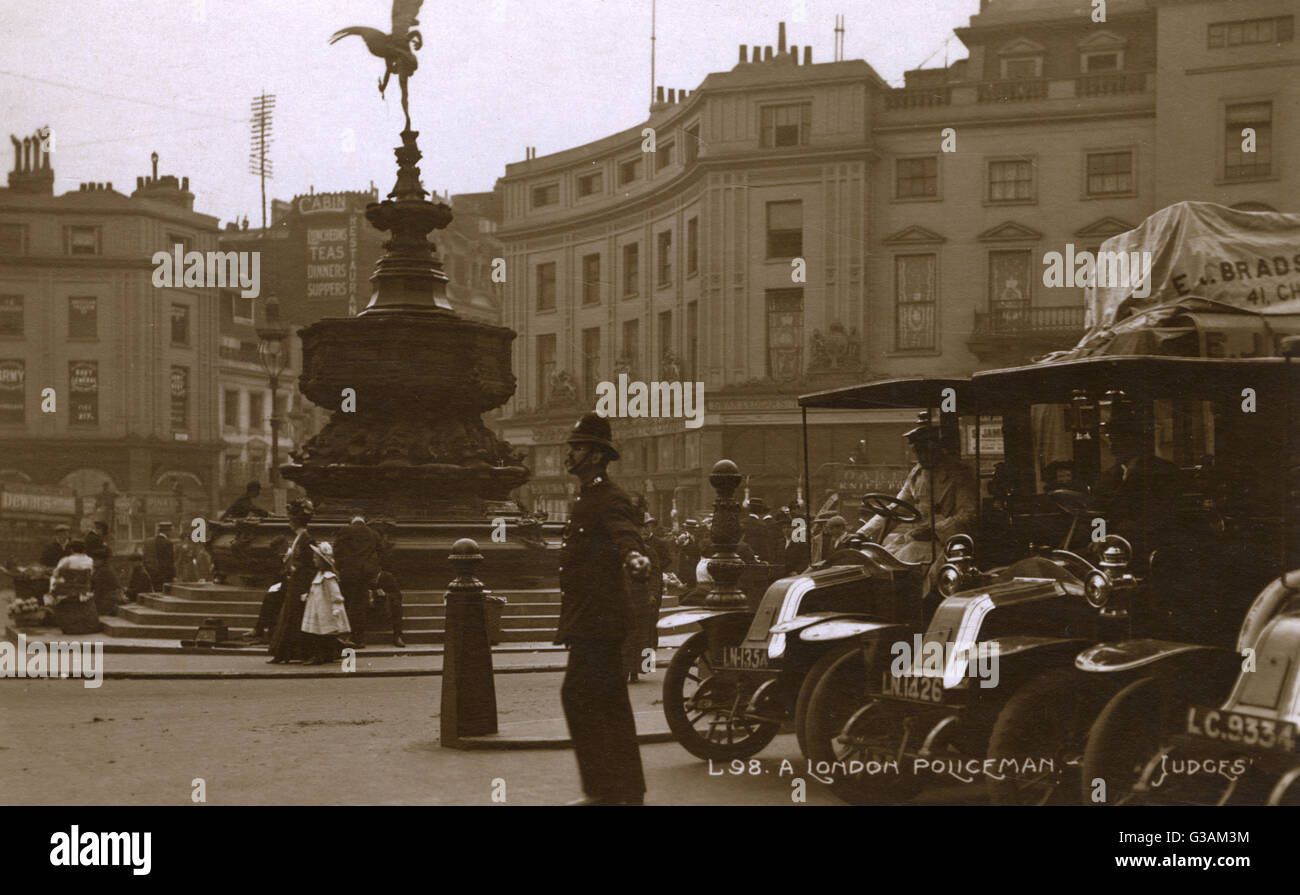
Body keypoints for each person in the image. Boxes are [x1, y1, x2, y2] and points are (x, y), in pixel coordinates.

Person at [555, 412, 651, 805]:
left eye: (577, 448)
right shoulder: (587, 497)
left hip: (599, 617)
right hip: (591, 616)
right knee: (607, 700)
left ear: (595, 456)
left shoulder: (610, 498)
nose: (570, 455)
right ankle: (623, 790)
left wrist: (635, 557)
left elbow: (625, 533)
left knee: (579, 696)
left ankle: (606, 790)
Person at [855, 421, 978, 567]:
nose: (921, 456)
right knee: (879, 558)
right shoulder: (917, 474)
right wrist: (863, 533)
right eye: (918, 451)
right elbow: (895, 508)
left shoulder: (959, 473)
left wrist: (936, 531)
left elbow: (968, 514)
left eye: (925, 450)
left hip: (945, 543)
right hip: (917, 538)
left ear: (937, 449)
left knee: (900, 562)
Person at [267, 498, 318, 664]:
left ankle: (291, 653)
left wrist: (297, 571)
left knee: (295, 619)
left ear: (296, 522)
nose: (289, 523)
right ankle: (283, 654)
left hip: (301, 584)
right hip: (295, 583)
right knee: (289, 618)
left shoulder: (306, 539)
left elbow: (310, 565)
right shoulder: (300, 538)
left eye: (291, 520)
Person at [623, 511, 662, 684]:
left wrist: (653, 594)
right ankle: (625, 669)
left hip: (643, 598)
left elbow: (655, 575)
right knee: (626, 636)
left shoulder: (648, 551)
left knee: (645, 635)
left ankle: (640, 670)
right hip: (625, 597)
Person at [333, 512, 381, 649]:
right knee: (360, 606)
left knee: (347, 603)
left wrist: (339, 568)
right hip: (365, 574)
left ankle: (346, 637)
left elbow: (337, 551)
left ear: (351, 519)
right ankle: (359, 639)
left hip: (348, 573)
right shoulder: (373, 534)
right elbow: (380, 553)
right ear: (364, 519)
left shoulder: (345, 530)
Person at [300, 541, 350, 665]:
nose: (314, 560)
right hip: (316, 608)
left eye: (316, 558)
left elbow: (335, 595)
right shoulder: (319, 575)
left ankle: (320, 656)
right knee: (318, 633)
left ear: (323, 561)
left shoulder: (328, 577)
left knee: (321, 634)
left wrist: (336, 609)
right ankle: (326, 654)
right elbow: (316, 590)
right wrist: (307, 595)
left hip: (325, 610)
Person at [49, 539, 101, 634]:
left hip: (68, 590)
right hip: (85, 590)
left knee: (54, 583)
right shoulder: (90, 560)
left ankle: (64, 622)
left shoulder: (67, 560)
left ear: (72, 550)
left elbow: (56, 573)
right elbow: (92, 574)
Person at [370, 568, 406, 648]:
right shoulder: (360, 576)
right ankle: (357, 638)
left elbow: (398, 595)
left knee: (396, 605)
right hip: (363, 603)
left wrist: (385, 595)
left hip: (382, 603)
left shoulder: (387, 576)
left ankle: (397, 636)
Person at [145, 522, 176, 588]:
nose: (171, 533)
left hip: (154, 575)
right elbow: (170, 561)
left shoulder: (151, 542)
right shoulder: (168, 543)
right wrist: (173, 575)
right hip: (166, 576)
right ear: (167, 531)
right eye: (170, 531)